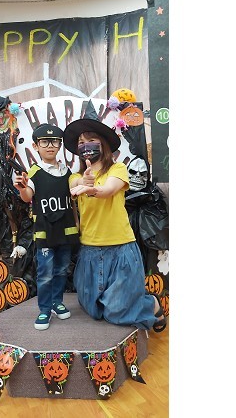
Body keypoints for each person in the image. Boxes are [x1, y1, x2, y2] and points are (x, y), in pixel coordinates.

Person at [63, 106, 167, 332]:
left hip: (120, 247)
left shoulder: (118, 169)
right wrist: (83, 182)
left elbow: (108, 189)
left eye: (91, 140)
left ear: (103, 143)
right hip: (90, 250)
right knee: (92, 308)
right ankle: (130, 299)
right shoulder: (75, 176)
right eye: (81, 142)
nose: (85, 145)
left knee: (116, 311)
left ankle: (150, 303)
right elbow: (75, 184)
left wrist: (92, 189)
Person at [13, 123, 80, 330]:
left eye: (55, 142)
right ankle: (44, 309)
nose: (50, 146)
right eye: (45, 142)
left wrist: (77, 222)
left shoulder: (67, 172)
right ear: (36, 146)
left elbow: (73, 199)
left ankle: (57, 302)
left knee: (61, 270)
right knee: (45, 273)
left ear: (60, 145)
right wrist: (22, 188)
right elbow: (27, 197)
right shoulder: (34, 173)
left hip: (66, 230)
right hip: (45, 232)